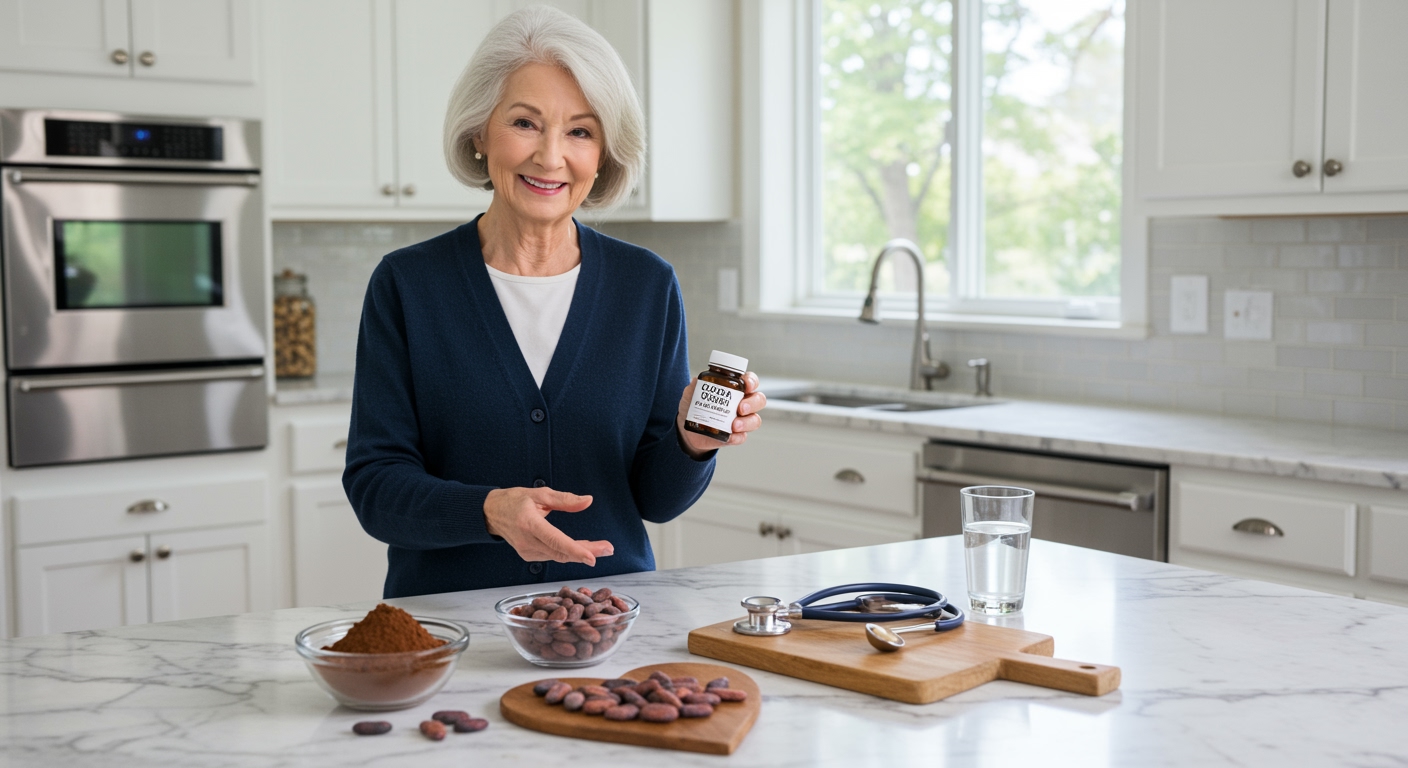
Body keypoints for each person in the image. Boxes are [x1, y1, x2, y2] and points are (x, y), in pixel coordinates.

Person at [343, 6, 764, 598]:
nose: (550, 156)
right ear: (478, 132)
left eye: (580, 131)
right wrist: (489, 510)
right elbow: (375, 487)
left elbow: (656, 502)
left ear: (604, 154)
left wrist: (693, 442)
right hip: (449, 629)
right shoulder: (407, 285)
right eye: (524, 122)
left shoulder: (646, 287)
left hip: (607, 625)